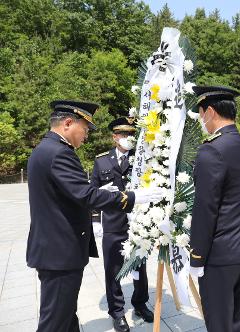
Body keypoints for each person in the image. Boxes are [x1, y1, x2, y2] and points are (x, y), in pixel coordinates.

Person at [26, 100, 162, 332]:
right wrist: (132, 197)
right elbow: (87, 195)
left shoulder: (47, 149)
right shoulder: (59, 153)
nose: (87, 135)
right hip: (60, 253)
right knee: (54, 323)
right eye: (86, 128)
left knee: (66, 317)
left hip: (55, 250)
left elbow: (72, 195)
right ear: (68, 123)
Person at [189, 86, 240, 332]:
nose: (201, 120)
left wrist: (196, 256)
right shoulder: (239, 143)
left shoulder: (211, 149)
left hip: (221, 256)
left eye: (200, 114)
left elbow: (205, 210)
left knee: (219, 324)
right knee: (239, 321)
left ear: (210, 112)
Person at [90, 117, 153, 332]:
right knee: (113, 269)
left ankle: (140, 303)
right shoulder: (101, 161)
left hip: (138, 222)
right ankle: (117, 312)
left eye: (130, 135)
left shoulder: (141, 159)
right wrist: (96, 220)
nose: (127, 139)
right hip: (112, 223)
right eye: (123, 135)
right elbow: (93, 192)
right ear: (114, 136)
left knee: (139, 266)